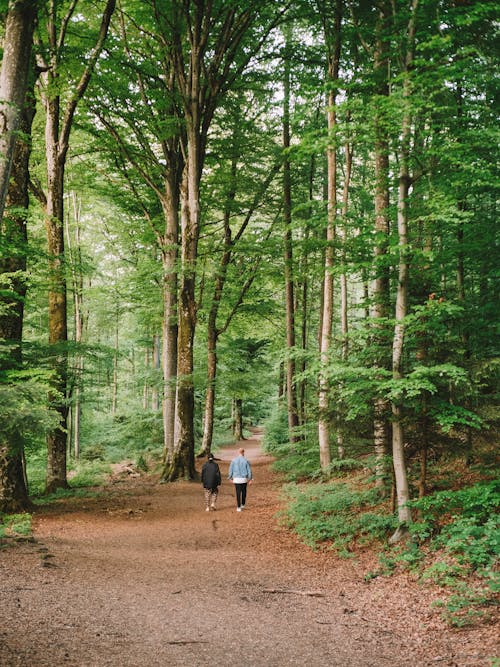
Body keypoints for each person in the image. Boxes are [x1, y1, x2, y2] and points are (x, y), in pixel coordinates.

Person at [228, 447, 252, 512]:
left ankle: (238, 507)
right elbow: (249, 471)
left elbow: (231, 470)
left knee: (238, 492)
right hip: (244, 479)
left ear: (238, 452)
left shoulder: (233, 460)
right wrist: (250, 479)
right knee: (244, 491)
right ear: (243, 452)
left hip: (236, 479)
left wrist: (230, 477)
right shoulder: (246, 460)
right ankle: (243, 504)